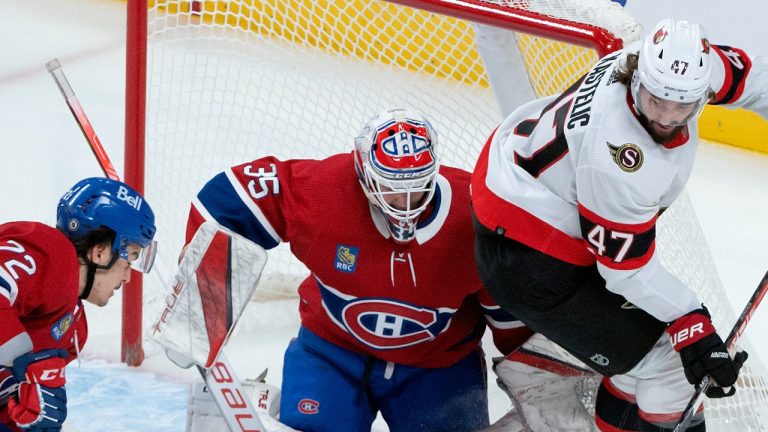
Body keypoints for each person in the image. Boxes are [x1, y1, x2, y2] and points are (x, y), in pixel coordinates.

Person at [471, 18, 767, 431]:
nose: (666, 118)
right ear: (637, 78)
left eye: (682, 106)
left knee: (640, 363)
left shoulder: (665, 65)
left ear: (704, 94)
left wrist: (689, 324)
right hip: (529, 260)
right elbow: (625, 272)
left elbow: (753, 80)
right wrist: (692, 323)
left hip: (528, 191)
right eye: (656, 101)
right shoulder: (618, 158)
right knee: (671, 368)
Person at [182, 107, 532, 432]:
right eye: (391, 187)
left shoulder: (474, 216)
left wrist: (535, 374)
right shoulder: (323, 192)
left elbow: (514, 313)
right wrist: (200, 295)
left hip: (437, 367)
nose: (405, 203)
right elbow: (227, 197)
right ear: (363, 170)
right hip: (331, 352)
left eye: (416, 186)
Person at [0, 177, 157, 432]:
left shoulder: (73, 331)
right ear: (101, 252)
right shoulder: (50, 252)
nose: (128, 277)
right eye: (130, 258)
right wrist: (24, 359)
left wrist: (26, 421)